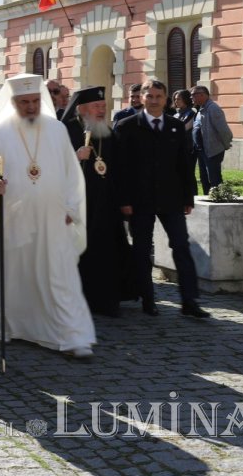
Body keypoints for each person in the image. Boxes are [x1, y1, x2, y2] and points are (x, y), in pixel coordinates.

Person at [0, 73, 95, 358]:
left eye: (36, 101)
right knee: (14, 276)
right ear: (13, 103)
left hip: (52, 218)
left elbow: (71, 173)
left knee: (59, 276)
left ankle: (70, 335)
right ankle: (9, 326)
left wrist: (72, 207)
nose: (31, 107)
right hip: (14, 219)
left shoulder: (57, 130)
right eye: (24, 102)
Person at [115, 79, 210, 319]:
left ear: (166, 99)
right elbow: (121, 169)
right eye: (150, 96)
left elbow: (185, 165)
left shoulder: (175, 127)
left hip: (171, 199)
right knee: (142, 250)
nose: (154, 101)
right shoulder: (126, 127)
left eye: (159, 96)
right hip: (139, 201)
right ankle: (148, 300)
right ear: (142, 98)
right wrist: (124, 200)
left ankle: (190, 301)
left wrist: (189, 196)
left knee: (181, 246)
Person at [61, 86, 132, 318]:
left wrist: (123, 200)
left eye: (103, 106)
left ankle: (107, 300)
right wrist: (75, 155)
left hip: (105, 204)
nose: (102, 110)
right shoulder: (65, 131)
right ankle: (79, 300)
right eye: (96, 106)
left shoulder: (108, 133)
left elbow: (120, 171)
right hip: (78, 205)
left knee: (107, 251)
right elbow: (54, 167)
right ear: (81, 109)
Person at [191, 84, 232, 195]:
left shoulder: (213, 109)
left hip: (213, 149)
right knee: (204, 177)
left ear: (202, 95)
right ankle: (207, 197)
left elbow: (223, 130)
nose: (191, 98)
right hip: (202, 150)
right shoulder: (201, 109)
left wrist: (226, 144)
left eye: (193, 95)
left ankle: (218, 198)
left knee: (213, 177)